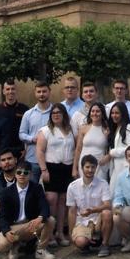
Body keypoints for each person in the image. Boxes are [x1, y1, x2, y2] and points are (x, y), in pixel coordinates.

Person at [0, 160, 56, 259]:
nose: (22, 175)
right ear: (15, 174)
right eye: (19, 172)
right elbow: (2, 216)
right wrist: (6, 232)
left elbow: (44, 206)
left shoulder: (36, 188)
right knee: (1, 245)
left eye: (25, 172)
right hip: (14, 227)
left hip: (31, 226)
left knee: (50, 220)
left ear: (30, 174)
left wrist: (40, 218)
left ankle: (41, 250)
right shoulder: (6, 192)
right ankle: (14, 246)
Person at [36, 104, 75, 246]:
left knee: (63, 200)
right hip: (51, 167)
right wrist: (44, 170)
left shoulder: (70, 131)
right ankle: (49, 233)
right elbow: (40, 151)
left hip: (67, 168)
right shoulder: (45, 131)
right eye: (54, 113)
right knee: (52, 199)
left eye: (59, 112)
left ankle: (60, 232)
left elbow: (76, 148)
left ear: (64, 114)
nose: (56, 115)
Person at [67, 154, 114, 257]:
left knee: (107, 213)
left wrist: (93, 211)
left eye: (93, 167)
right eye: (87, 167)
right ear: (82, 168)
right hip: (82, 221)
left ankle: (104, 244)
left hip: (98, 219)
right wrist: (70, 233)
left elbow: (107, 205)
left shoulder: (103, 183)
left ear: (96, 168)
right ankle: (87, 242)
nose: (90, 170)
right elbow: (72, 211)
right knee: (80, 242)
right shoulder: (72, 186)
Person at [20, 82, 53, 182]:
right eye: (39, 92)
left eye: (44, 91)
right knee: (31, 191)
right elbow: (21, 134)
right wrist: (32, 138)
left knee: (49, 194)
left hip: (50, 159)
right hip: (32, 160)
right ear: (35, 93)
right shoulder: (28, 114)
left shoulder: (56, 113)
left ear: (49, 92)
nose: (41, 94)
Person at [73, 102, 111, 181]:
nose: (95, 113)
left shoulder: (107, 130)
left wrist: (108, 157)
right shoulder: (83, 128)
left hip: (100, 165)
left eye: (97, 111)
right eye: (93, 111)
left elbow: (110, 148)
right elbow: (78, 149)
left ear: (102, 113)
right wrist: (74, 168)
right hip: (84, 163)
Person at [108, 101, 130, 183]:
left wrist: (112, 153)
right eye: (112, 113)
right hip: (115, 168)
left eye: (117, 113)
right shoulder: (115, 129)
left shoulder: (129, 128)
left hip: (126, 168)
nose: (114, 115)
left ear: (123, 114)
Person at [0, 80, 28, 158]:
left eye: (13, 89)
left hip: (21, 152)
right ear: (3, 91)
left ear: (16, 90)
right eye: (8, 89)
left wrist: (25, 148)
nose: (10, 91)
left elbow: (28, 130)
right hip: (3, 152)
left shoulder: (25, 109)